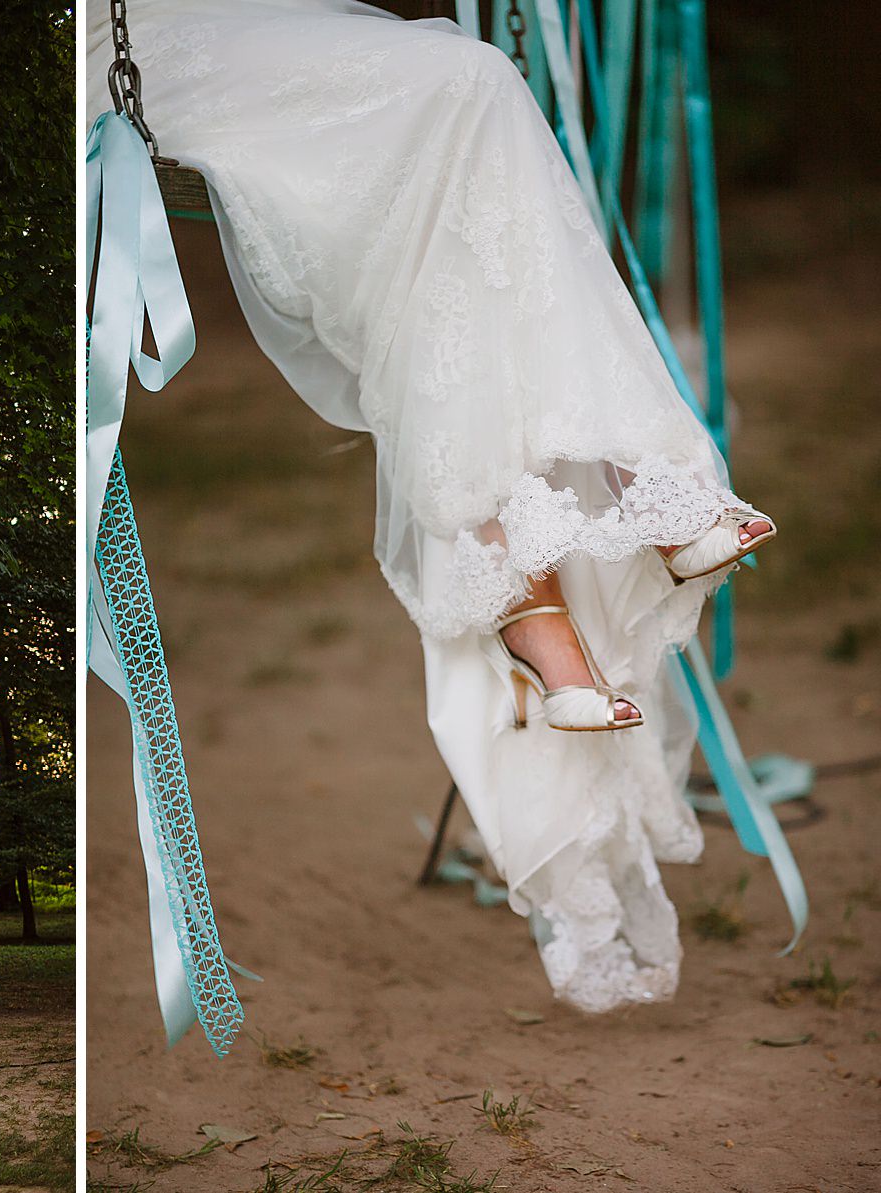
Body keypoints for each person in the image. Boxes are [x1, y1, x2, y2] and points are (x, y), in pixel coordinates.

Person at [87, 2, 775, 1011]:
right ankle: (621, 497)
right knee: (472, 97)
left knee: (469, 140)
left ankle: (540, 589)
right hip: (138, 37)